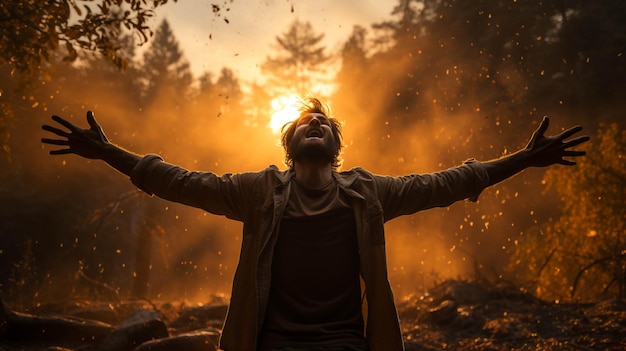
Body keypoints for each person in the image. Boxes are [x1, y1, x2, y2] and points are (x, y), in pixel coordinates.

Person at [41, 98, 589, 351]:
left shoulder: (369, 193)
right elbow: (180, 181)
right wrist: (110, 152)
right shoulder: (258, 192)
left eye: (324, 121)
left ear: (335, 147)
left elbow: (447, 183)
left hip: (346, 346)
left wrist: (522, 159)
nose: (316, 123)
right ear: (289, 147)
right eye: (305, 121)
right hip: (271, 346)